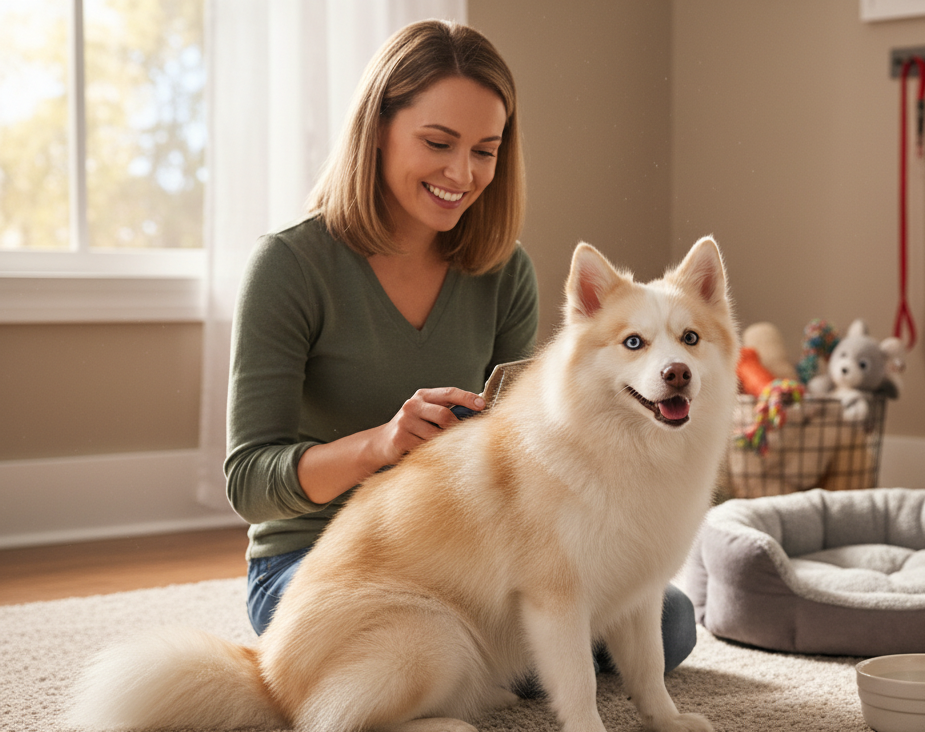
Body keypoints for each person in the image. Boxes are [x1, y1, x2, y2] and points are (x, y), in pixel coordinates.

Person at [225, 20, 696, 680]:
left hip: (466, 555)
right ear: (379, 128)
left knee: (667, 620)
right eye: (439, 142)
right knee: (491, 641)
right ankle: (447, 671)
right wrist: (382, 445)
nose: (462, 173)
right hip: (320, 567)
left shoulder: (506, 273)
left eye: (485, 150)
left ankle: (460, 673)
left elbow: (524, 456)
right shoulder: (289, 267)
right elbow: (249, 483)